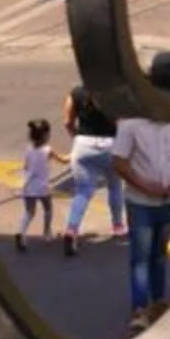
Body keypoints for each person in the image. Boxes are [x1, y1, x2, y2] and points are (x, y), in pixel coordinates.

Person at [113, 59, 170, 330]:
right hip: (141, 203)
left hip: (168, 201)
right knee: (140, 257)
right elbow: (120, 163)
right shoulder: (131, 125)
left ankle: (158, 302)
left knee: (159, 254)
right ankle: (139, 309)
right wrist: (144, 186)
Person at [61, 79, 124, 255]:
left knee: (83, 191)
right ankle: (118, 226)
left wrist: (77, 138)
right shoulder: (114, 94)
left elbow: (67, 122)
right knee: (115, 185)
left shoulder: (76, 93)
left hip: (83, 145)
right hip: (111, 145)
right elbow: (122, 122)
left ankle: (71, 230)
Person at [14, 118, 59, 253]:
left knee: (29, 212)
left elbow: (26, 166)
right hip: (43, 187)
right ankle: (46, 233)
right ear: (46, 135)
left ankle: (20, 231)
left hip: (28, 186)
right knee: (48, 209)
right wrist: (73, 155)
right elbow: (63, 160)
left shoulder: (28, 150)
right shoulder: (48, 150)